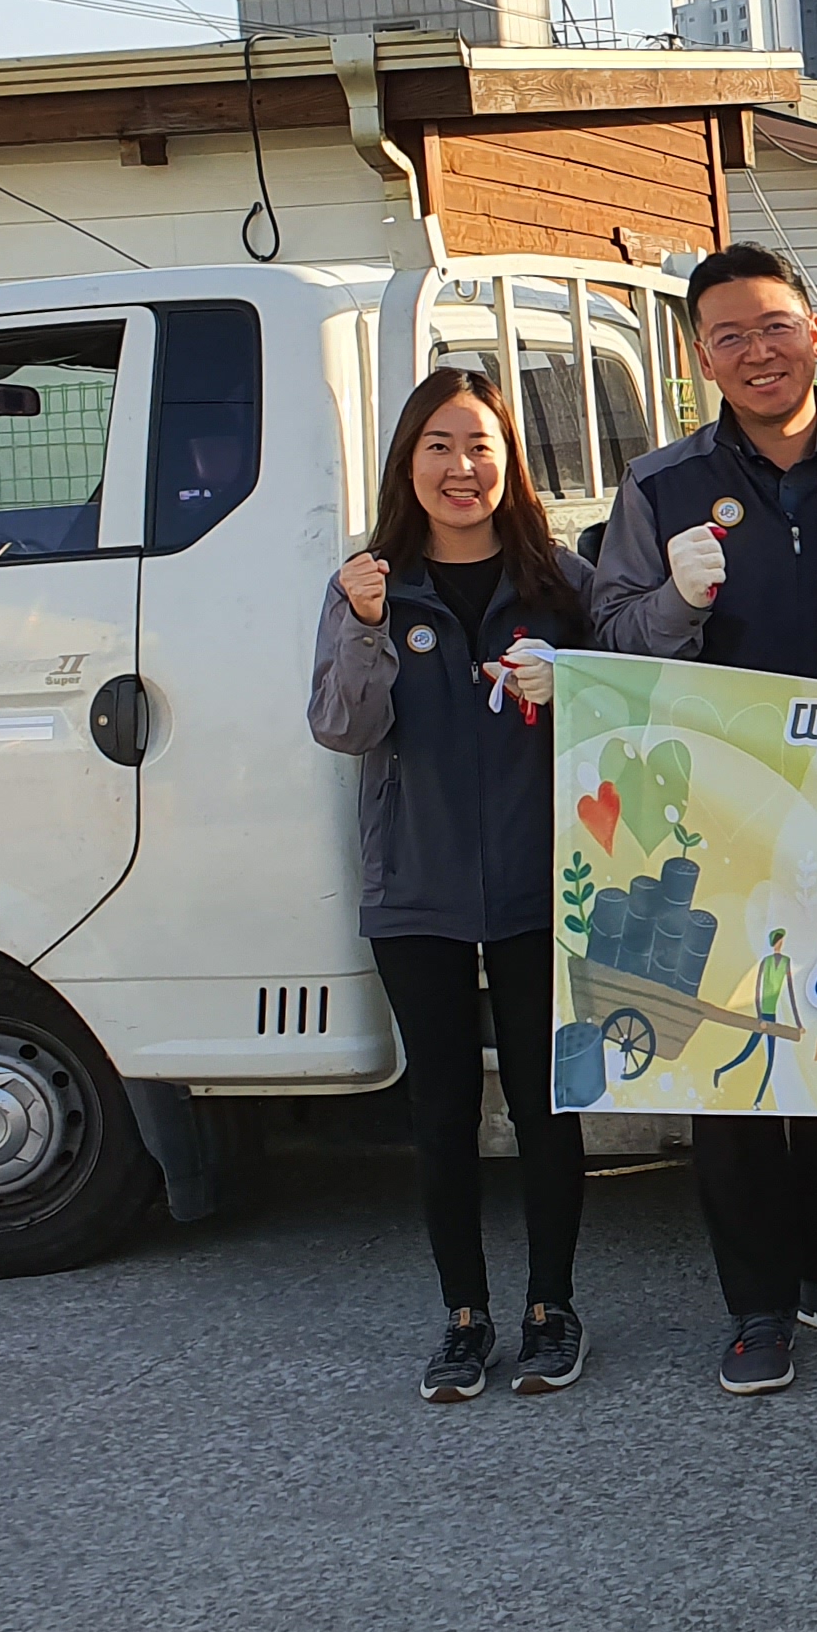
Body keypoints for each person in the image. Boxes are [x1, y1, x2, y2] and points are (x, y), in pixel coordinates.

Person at [588, 246, 817, 1399]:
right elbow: (609, 645)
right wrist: (675, 602)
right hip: (704, 816)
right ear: (700, 357)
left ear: (815, 331)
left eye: (774, 326)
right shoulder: (659, 487)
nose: (757, 352)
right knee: (723, 1063)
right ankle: (755, 1305)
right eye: (728, 336)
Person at [307, 366, 596, 1403]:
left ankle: (551, 1308)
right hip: (415, 887)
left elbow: (621, 730)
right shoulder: (368, 584)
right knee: (440, 1109)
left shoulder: (560, 584)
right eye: (438, 445)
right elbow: (342, 728)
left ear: (511, 460)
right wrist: (370, 627)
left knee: (543, 1100)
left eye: (480, 445)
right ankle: (465, 1317)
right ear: (408, 462)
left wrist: (569, 685)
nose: (460, 467)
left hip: (537, 884)